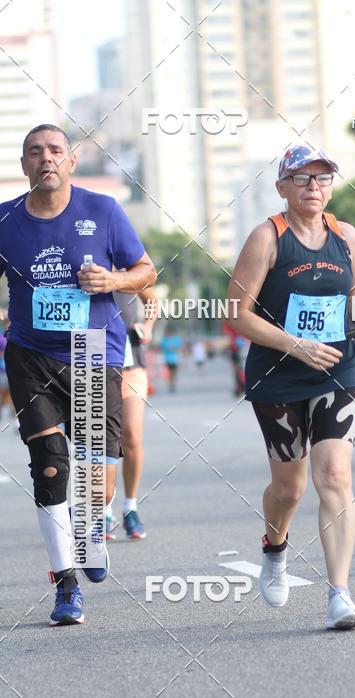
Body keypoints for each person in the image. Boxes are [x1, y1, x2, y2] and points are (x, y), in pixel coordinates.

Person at [226, 143, 355, 629]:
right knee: (289, 488)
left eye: (322, 178)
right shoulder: (267, 238)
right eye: (302, 178)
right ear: (282, 187)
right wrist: (297, 345)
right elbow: (236, 313)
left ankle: (340, 594)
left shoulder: (346, 235)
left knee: (335, 476)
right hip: (278, 375)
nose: (313, 187)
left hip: (337, 368)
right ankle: (275, 547)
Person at [1, 124, 156, 623]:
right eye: (34, 152)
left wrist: (113, 280)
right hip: (30, 354)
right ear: (24, 164)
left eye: (54, 150)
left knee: (95, 478)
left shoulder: (103, 211)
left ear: (70, 161)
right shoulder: (4, 219)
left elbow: (147, 272)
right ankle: (66, 585)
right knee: (50, 465)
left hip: (92, 351)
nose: (45, 158)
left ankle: (90, 527)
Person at [105, 288, 156, 540]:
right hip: (95, 363)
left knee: (132, 436)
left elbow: (152, 301)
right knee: (101, 440)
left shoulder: (131, 270)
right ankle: (102, 510)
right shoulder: (83, 268)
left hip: (131, 365)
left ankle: (130, 507)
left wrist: (148, 326)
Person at [160, 324, 183, 393]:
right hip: (167, 359)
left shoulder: (176, 339)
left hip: (175, 359)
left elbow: (180, 347)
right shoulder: (164, 340)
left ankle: (172, 384)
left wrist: (174, 348)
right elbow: (161, 348)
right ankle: (170, 384)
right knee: (168, 373)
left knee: (174, 373)